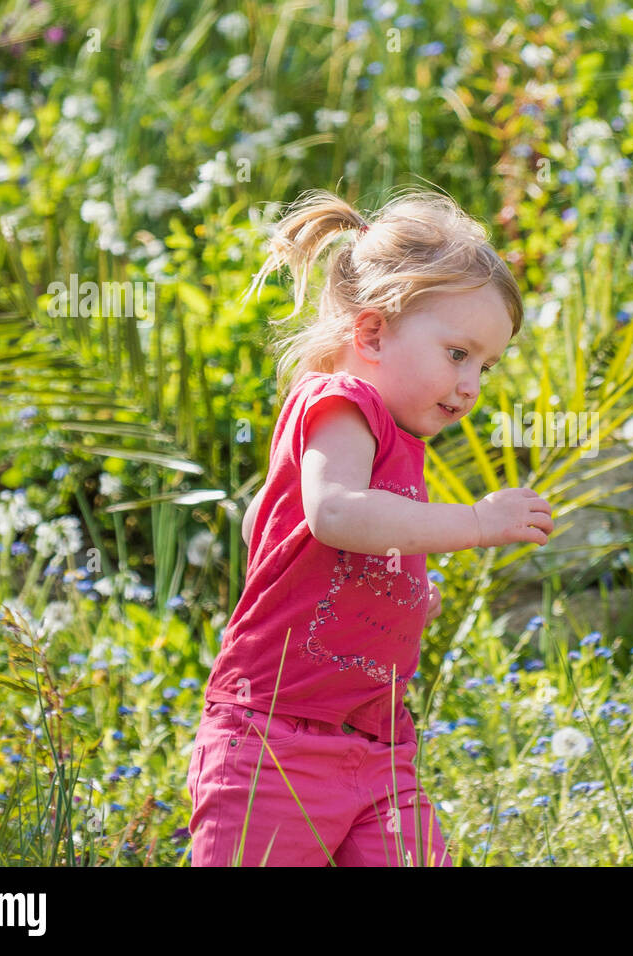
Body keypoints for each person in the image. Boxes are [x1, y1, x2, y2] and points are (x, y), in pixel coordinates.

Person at [187, 187, 554, 866]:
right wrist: (475, 521)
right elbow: (334, 514)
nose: (472, 383)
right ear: (373, 332)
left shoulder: (391, 436)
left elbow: (265, 527)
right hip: (275, 742)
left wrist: (396, 597)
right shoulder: (339, 402)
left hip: (378, 749)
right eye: (457, 353)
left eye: (486, 365)